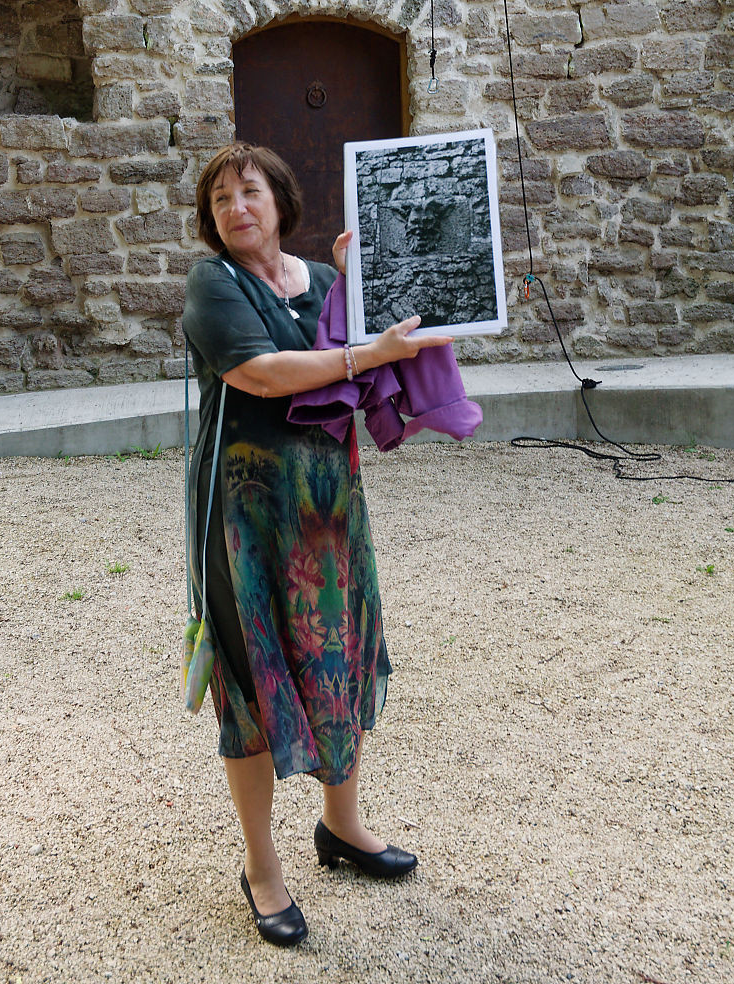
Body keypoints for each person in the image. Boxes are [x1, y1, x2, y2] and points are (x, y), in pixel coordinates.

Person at [182, 142, 452, 947]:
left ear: (280, 201)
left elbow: (387, 364)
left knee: (340, 652)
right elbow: (264, 374)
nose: (236, 208)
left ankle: (341, 826)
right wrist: (366, 349)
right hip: (243, 516)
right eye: (221, 199)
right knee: (252, 676)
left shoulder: (325, 284)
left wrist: (368, 286)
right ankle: (261, 866)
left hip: (328, 505)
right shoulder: (212, 284)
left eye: (249, 192)